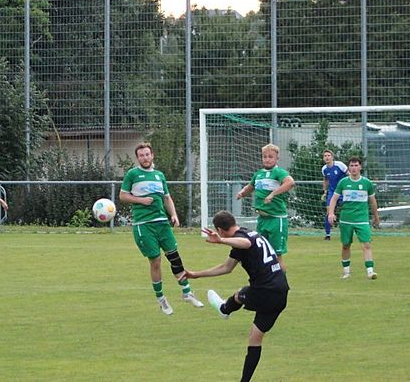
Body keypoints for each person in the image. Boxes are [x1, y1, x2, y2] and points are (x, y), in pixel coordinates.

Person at [184, 210, 289, 382]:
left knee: (240, 295)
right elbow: (226, 268)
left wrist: (221, 241)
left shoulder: (242, 239)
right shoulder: (250, 232)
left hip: (265, 291)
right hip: (281, 291)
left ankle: (224, 309)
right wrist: (196, 274)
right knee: (255, 339)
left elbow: (245, 244)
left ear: (220, 230)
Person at [119, 142, 203, 315]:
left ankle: (187, 292)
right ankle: (161, 299)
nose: (145, 158)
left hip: (162, 223)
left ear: (152, 155)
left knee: (174, 257)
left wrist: (174, 214)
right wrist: (141, 200)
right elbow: (123, 196)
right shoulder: (132, 174)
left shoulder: (159, 175)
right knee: (156, 261)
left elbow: (167, 197)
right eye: (141, 155)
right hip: (144, 225)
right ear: (138, 158)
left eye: (147, 154)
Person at [236, 144, 295, 270]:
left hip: (276, 219)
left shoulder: (278, 172)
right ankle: (267, 280)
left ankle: (281, 281)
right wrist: (242, 193)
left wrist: (272, 194)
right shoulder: (258, 174)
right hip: (262, 219)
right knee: (262, 253)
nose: (267, 159)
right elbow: (250, 187)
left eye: (270, 157)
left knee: (277, 256)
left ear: (277, 158)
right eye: (265, 157)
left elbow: (290, 182)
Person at [327, 156, 380, 280]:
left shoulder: (366, 183)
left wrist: (376, 217)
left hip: (362, 220)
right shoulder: (343, 182)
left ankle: (370, 271)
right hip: (346, 219)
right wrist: (331, 213)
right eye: (351, 165)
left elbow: (372, 201)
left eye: (356, 165)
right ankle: (346, 272)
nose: (354, 168)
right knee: (346, 245)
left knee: (366, 244)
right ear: (349, 168)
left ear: (360, 167)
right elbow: (334, 198)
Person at [321, 150, 347, 241]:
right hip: (332, 192)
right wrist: (325, 192)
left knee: (348, 210)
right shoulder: (324, 169)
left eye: (328, 155)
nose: (327, 157)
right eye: (325, 156)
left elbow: (349, 175)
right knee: (329, 212)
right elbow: (325, 180)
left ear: (332, 157)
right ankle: (328, 235)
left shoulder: (340, 165)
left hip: (343, 192)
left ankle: (351, 231)